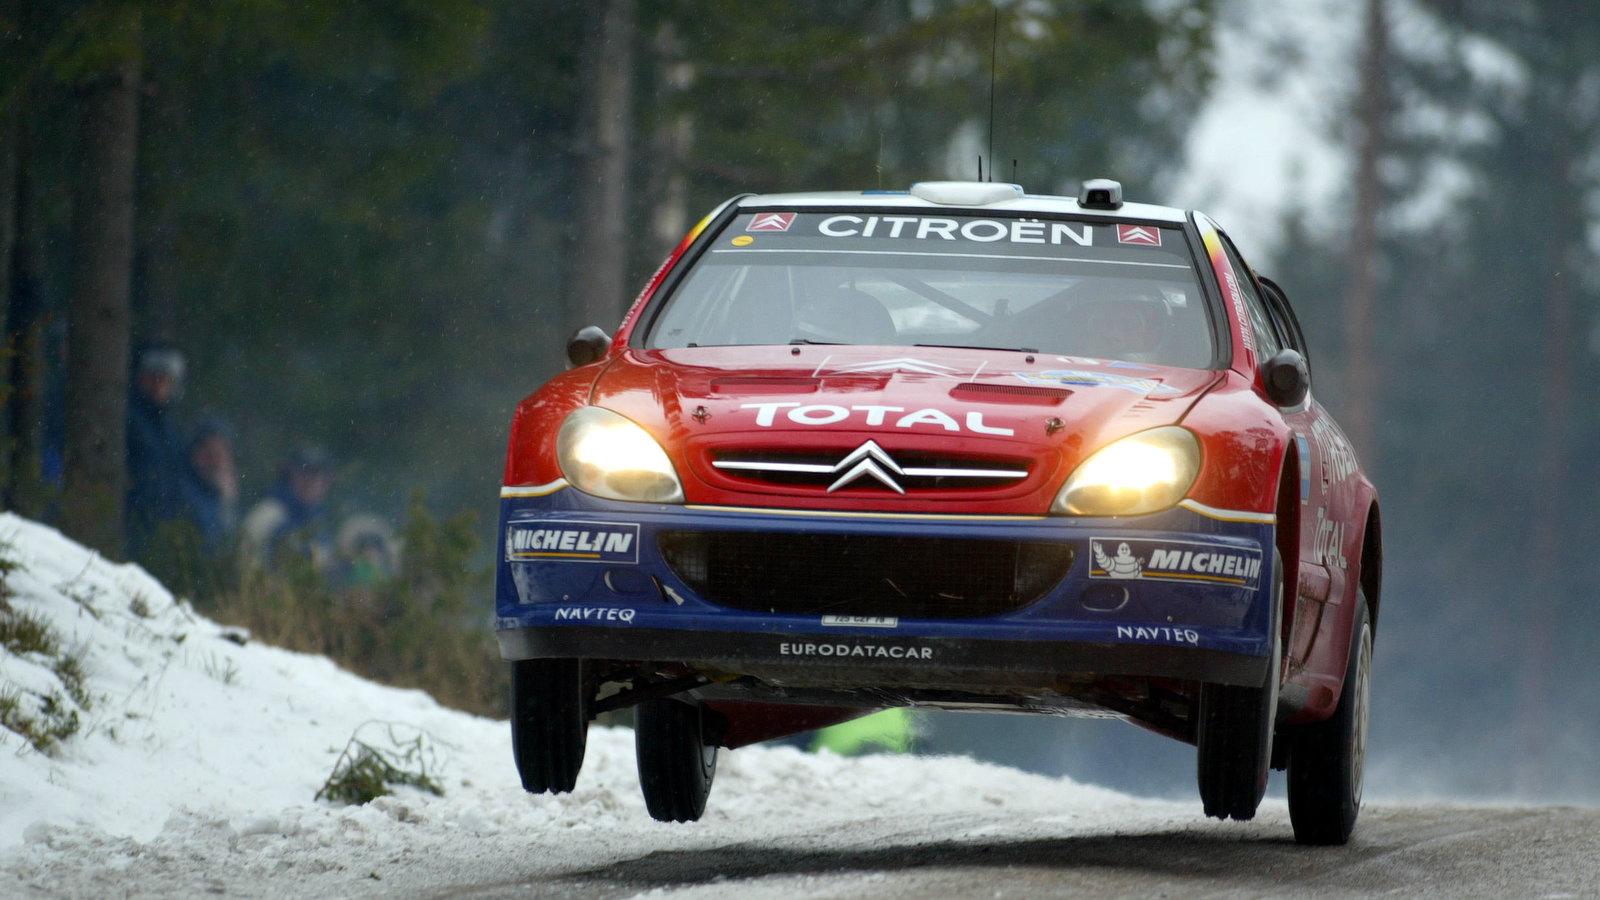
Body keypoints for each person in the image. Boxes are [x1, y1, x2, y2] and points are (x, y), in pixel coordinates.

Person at [125, 343, 190, 560]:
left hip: (157, 527)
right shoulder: (128, 418)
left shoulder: (169, 429)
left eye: (164, 379)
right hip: (130, 521)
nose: (158, 385)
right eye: (152, 377)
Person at [241, 446, 337, 572]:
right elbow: (246, 561)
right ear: (290, 475)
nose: (310, 482)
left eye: (316, 475)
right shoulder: (268, 513)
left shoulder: (318, 519)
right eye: (304, 474)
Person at [180, 414, 239, 554]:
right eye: (209, 455)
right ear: (194, 454)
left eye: (221, 455)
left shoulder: (219, 499)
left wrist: (227, 503)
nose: (215, 463)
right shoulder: (184, 495)